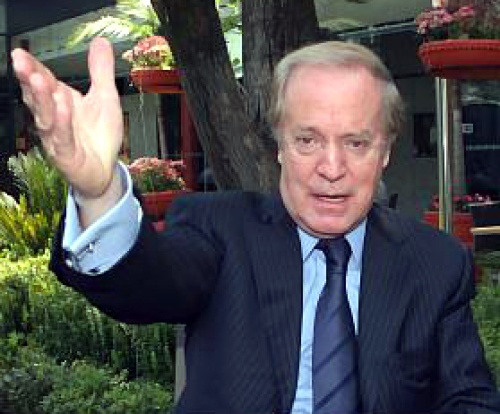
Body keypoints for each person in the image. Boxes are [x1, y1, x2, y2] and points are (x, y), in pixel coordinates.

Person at [12, 38, 500, 414]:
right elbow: (148, 283)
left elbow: (469, 398)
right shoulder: (219, 229)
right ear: (280, 145)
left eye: (356, 143)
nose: (332, 168)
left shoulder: (435, 263)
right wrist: (99, 192)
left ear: (385, 152)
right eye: (308, 140)